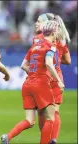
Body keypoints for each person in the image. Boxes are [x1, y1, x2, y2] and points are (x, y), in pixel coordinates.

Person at [0, 20, 64, 144]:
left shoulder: (35, 46)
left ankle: (8, 137)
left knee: (29, 120)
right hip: (41, 84)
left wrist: (34, 74)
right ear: (54, 31)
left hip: (27, 84)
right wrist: (59, 80)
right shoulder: (51, 46)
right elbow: (49, 64)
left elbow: (23, 65)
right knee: (51, 117)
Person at [33, 13, 71, 143]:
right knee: (55, 111)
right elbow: (68, 60)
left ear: (46, 23)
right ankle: (52, 139)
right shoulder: (60, 40)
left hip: (43, 78)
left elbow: (36, 60)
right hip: (56, 76)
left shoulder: (38, 39)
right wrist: (56, 60)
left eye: (39, 21)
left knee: (42, 113)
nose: (36, 23)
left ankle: (46, 139)